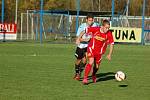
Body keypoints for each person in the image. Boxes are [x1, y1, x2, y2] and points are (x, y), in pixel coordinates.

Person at [77, 19, 114, 84]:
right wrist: (78, 39)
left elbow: (111, 44)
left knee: (96, 67)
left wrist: (109, 54)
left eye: (108, 28)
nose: (107, 29)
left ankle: (94, 74)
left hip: (99, 52)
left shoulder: (109, 34)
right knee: (91, 61)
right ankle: (85, 78)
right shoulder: (95, 29)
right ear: (102, 26)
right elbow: (84, 31)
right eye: (106, 28)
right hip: (91, 48)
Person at [73, 14, 99, 80]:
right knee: (78, 60)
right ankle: (76, 72)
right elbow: (78, 38)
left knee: (85, 60)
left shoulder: (95, 25)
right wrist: (85, 40)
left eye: (92, 20)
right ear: (86, 20)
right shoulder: (82, 27)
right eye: (89, 20)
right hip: (81, 46)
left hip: (89, 46)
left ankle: (79, 73)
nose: (91, 21)